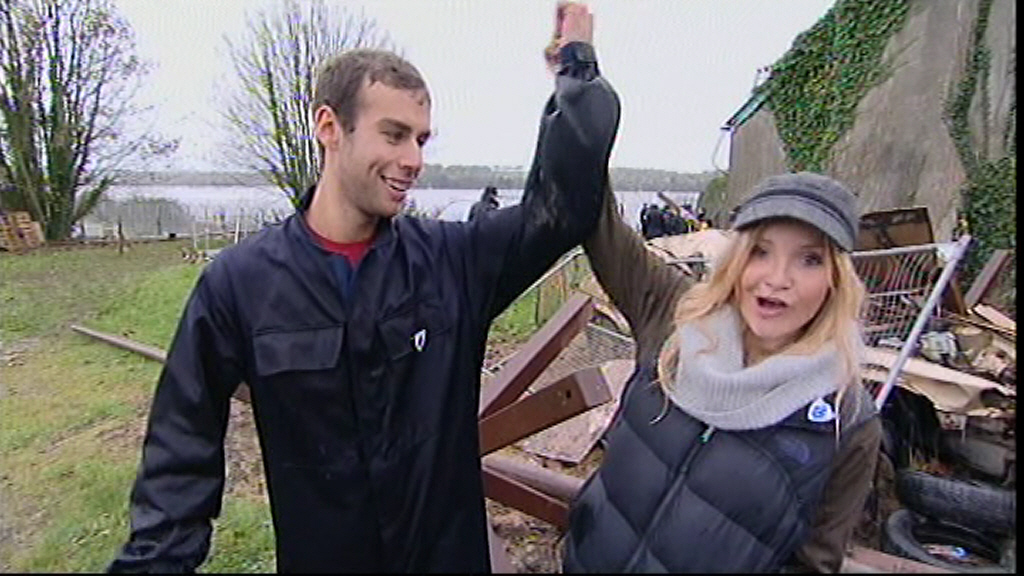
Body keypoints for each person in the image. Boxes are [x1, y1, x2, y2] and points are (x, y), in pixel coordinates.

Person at [106, 3, 620, 572]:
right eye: (394, 135)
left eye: (421, 140)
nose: (413, 160)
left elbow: (562, 208)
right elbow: (180, 453)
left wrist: (576, 64)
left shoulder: (455, 263)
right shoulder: (240, 284)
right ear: (329, 128)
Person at [562, 172, 881, 573]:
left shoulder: (847, 422)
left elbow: (814, 563)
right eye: (760, 251)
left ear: (837, 279)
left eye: (810, 259)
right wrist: (585, 144)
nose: (777, 279)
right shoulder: (675, 319)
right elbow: (593, 214)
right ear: (735, 260)